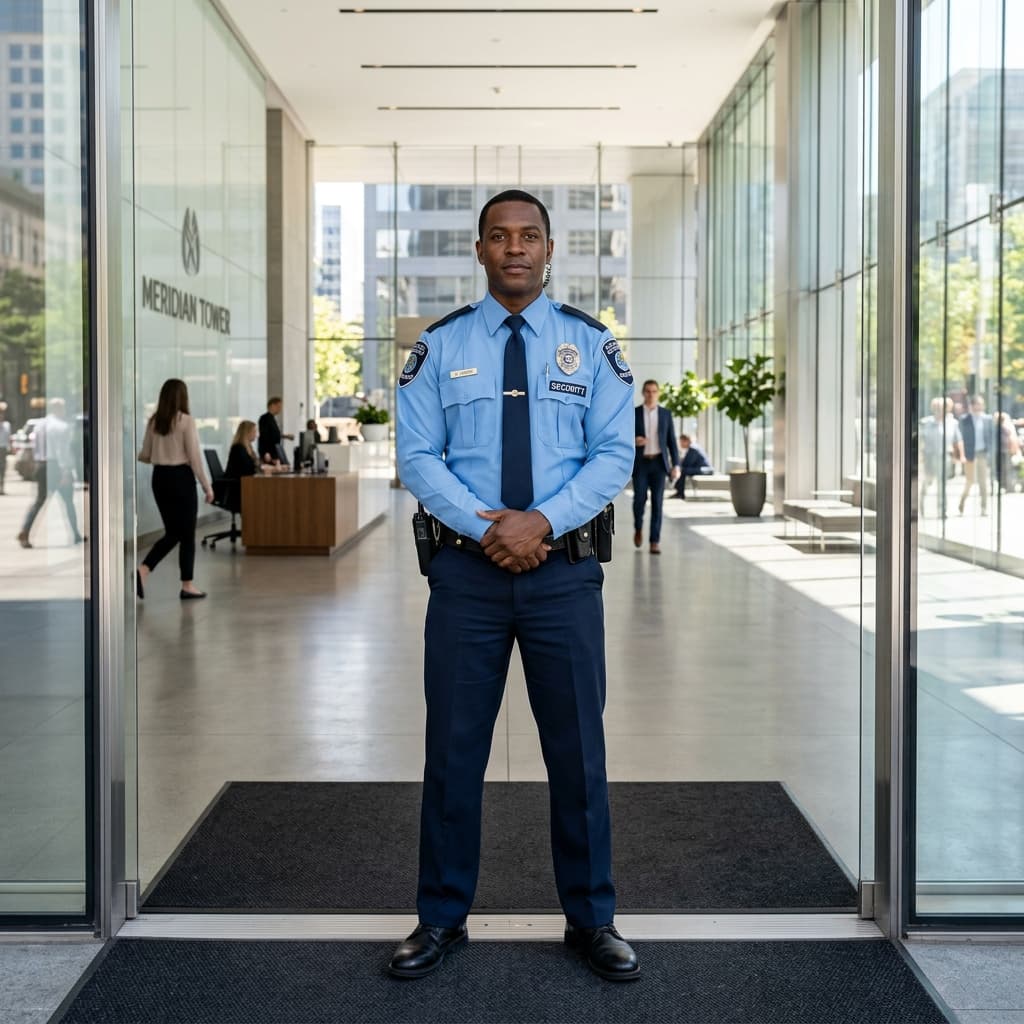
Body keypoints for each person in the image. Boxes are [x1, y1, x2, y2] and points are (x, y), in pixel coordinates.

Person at [393, 189, 639, 982]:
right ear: (479, 249)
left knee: (578, 753)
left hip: (564, 577)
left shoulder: (590, 347)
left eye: (529, 235)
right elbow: (418, 457)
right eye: (499, 236)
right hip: (467, 578)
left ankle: (593, 918)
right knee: (454, 751)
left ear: (549, 248)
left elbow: (612, 455)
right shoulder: (440, 348)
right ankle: (439, 918)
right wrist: (488, 528)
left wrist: (541, 522)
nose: (515, 248)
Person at [136, 378, 213, 600]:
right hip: (181, 478)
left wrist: (162, 451)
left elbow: (145, 455)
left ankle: (174, 580)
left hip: (160, 478)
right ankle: (153, 572)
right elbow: (195, 458)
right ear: (183, 397)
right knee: (184, 533)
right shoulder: (185, 421)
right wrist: (207, 487)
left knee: (175, 531)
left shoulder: (154, 422)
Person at [17, 398, 82, 547]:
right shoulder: (61, 427)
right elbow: (62, 452)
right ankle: (76, 534)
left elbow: (35, 447)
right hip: (56, 467)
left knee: (39, 501)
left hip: (41, 465)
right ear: (59, 409)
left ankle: (25, 531)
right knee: (68, 502)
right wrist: (66, 471)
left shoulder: (40, 425)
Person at [632, 380, 680, 554]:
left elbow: (672, 442)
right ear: (643, 393)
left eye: (654, 391)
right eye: (648, 391)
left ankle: (654, 541)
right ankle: (638, 527)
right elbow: (624, 437)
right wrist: (634, 441)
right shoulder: (635, 413)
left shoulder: (666, 414)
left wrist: (676, 465)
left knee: (658, 503)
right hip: (641, 463)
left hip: (659, 464)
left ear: (658, 393)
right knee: (639, 500)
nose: (651, 394)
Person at [919, 397, 962, 517]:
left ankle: (942, 510)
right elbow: (920, 441)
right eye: (937, 408)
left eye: (943, 408)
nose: (940, 410)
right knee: (927, 483)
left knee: (942, 485)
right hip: (929, 457)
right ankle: (919, 506)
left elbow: (958, 441)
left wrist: (959, 456)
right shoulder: (926, 423)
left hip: (944, 458)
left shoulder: (952, 424)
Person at [958, 395, 994, 516]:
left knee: (983, 482)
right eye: (976, 404)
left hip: (982, 453)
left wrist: (991, 453)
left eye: (981, 404)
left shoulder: (988, 419)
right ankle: (962, 503)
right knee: (970, 481)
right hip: (969, 454)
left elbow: (991, 437)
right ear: (972, 406)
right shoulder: (965, 419)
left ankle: (984, 508)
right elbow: (960, 437)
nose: (979, 407)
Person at [670, 433, 714, 499]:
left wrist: (678, 465)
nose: (680, 444)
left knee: (683, 470)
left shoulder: (693, 448)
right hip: (701, 469)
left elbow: (687, 463)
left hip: (706, 470)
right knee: (682, 470)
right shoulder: (692, 447)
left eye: (681, 442)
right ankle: (679, 492)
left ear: (686, 441)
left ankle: (680, 493)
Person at [257, 396, 293, 464]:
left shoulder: (272, 418)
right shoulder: (265, 418)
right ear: (272, 405)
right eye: (279, 406)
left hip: (275, 450)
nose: (280, 409)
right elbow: (264, 436)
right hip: (269, 453)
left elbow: (273, 434)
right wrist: (266, 452)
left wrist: (286, 436)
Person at [996, 411, 1021, 494]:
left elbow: (1012, 439)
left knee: (1008, 469)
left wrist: (1014, 449)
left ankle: (1010, 486)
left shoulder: (1006, 427)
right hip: (1004, 451)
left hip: (1007, 450)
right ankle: (1007, 486)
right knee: (1005, 470)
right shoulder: (1003, 426)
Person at [0, 402, 10, 495]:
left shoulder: (7, 425)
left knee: (2, 469)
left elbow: (8, 438)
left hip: (3, 449)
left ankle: (2, 487)